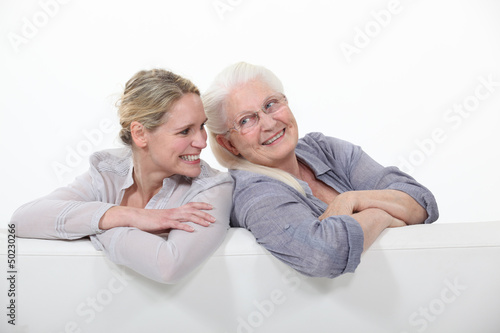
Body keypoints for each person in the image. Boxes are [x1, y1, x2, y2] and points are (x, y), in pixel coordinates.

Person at [202, 62, 439, 279]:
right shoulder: (251, 193)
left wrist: (352, 199)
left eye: (270, 104)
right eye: (246, 120)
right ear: (228, 144)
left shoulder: (322, 148)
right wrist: (383, 215)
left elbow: (421, 202)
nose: (269, 123)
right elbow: (323, 255)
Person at [11, 69, 233, 284]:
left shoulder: (212, 188)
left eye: (202, 126)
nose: (202, 142)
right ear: (140, 134)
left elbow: (167, 266)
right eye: (185, 131)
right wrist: (128, 215)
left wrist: (94, 227)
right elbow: (22, 220)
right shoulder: (108, 171)